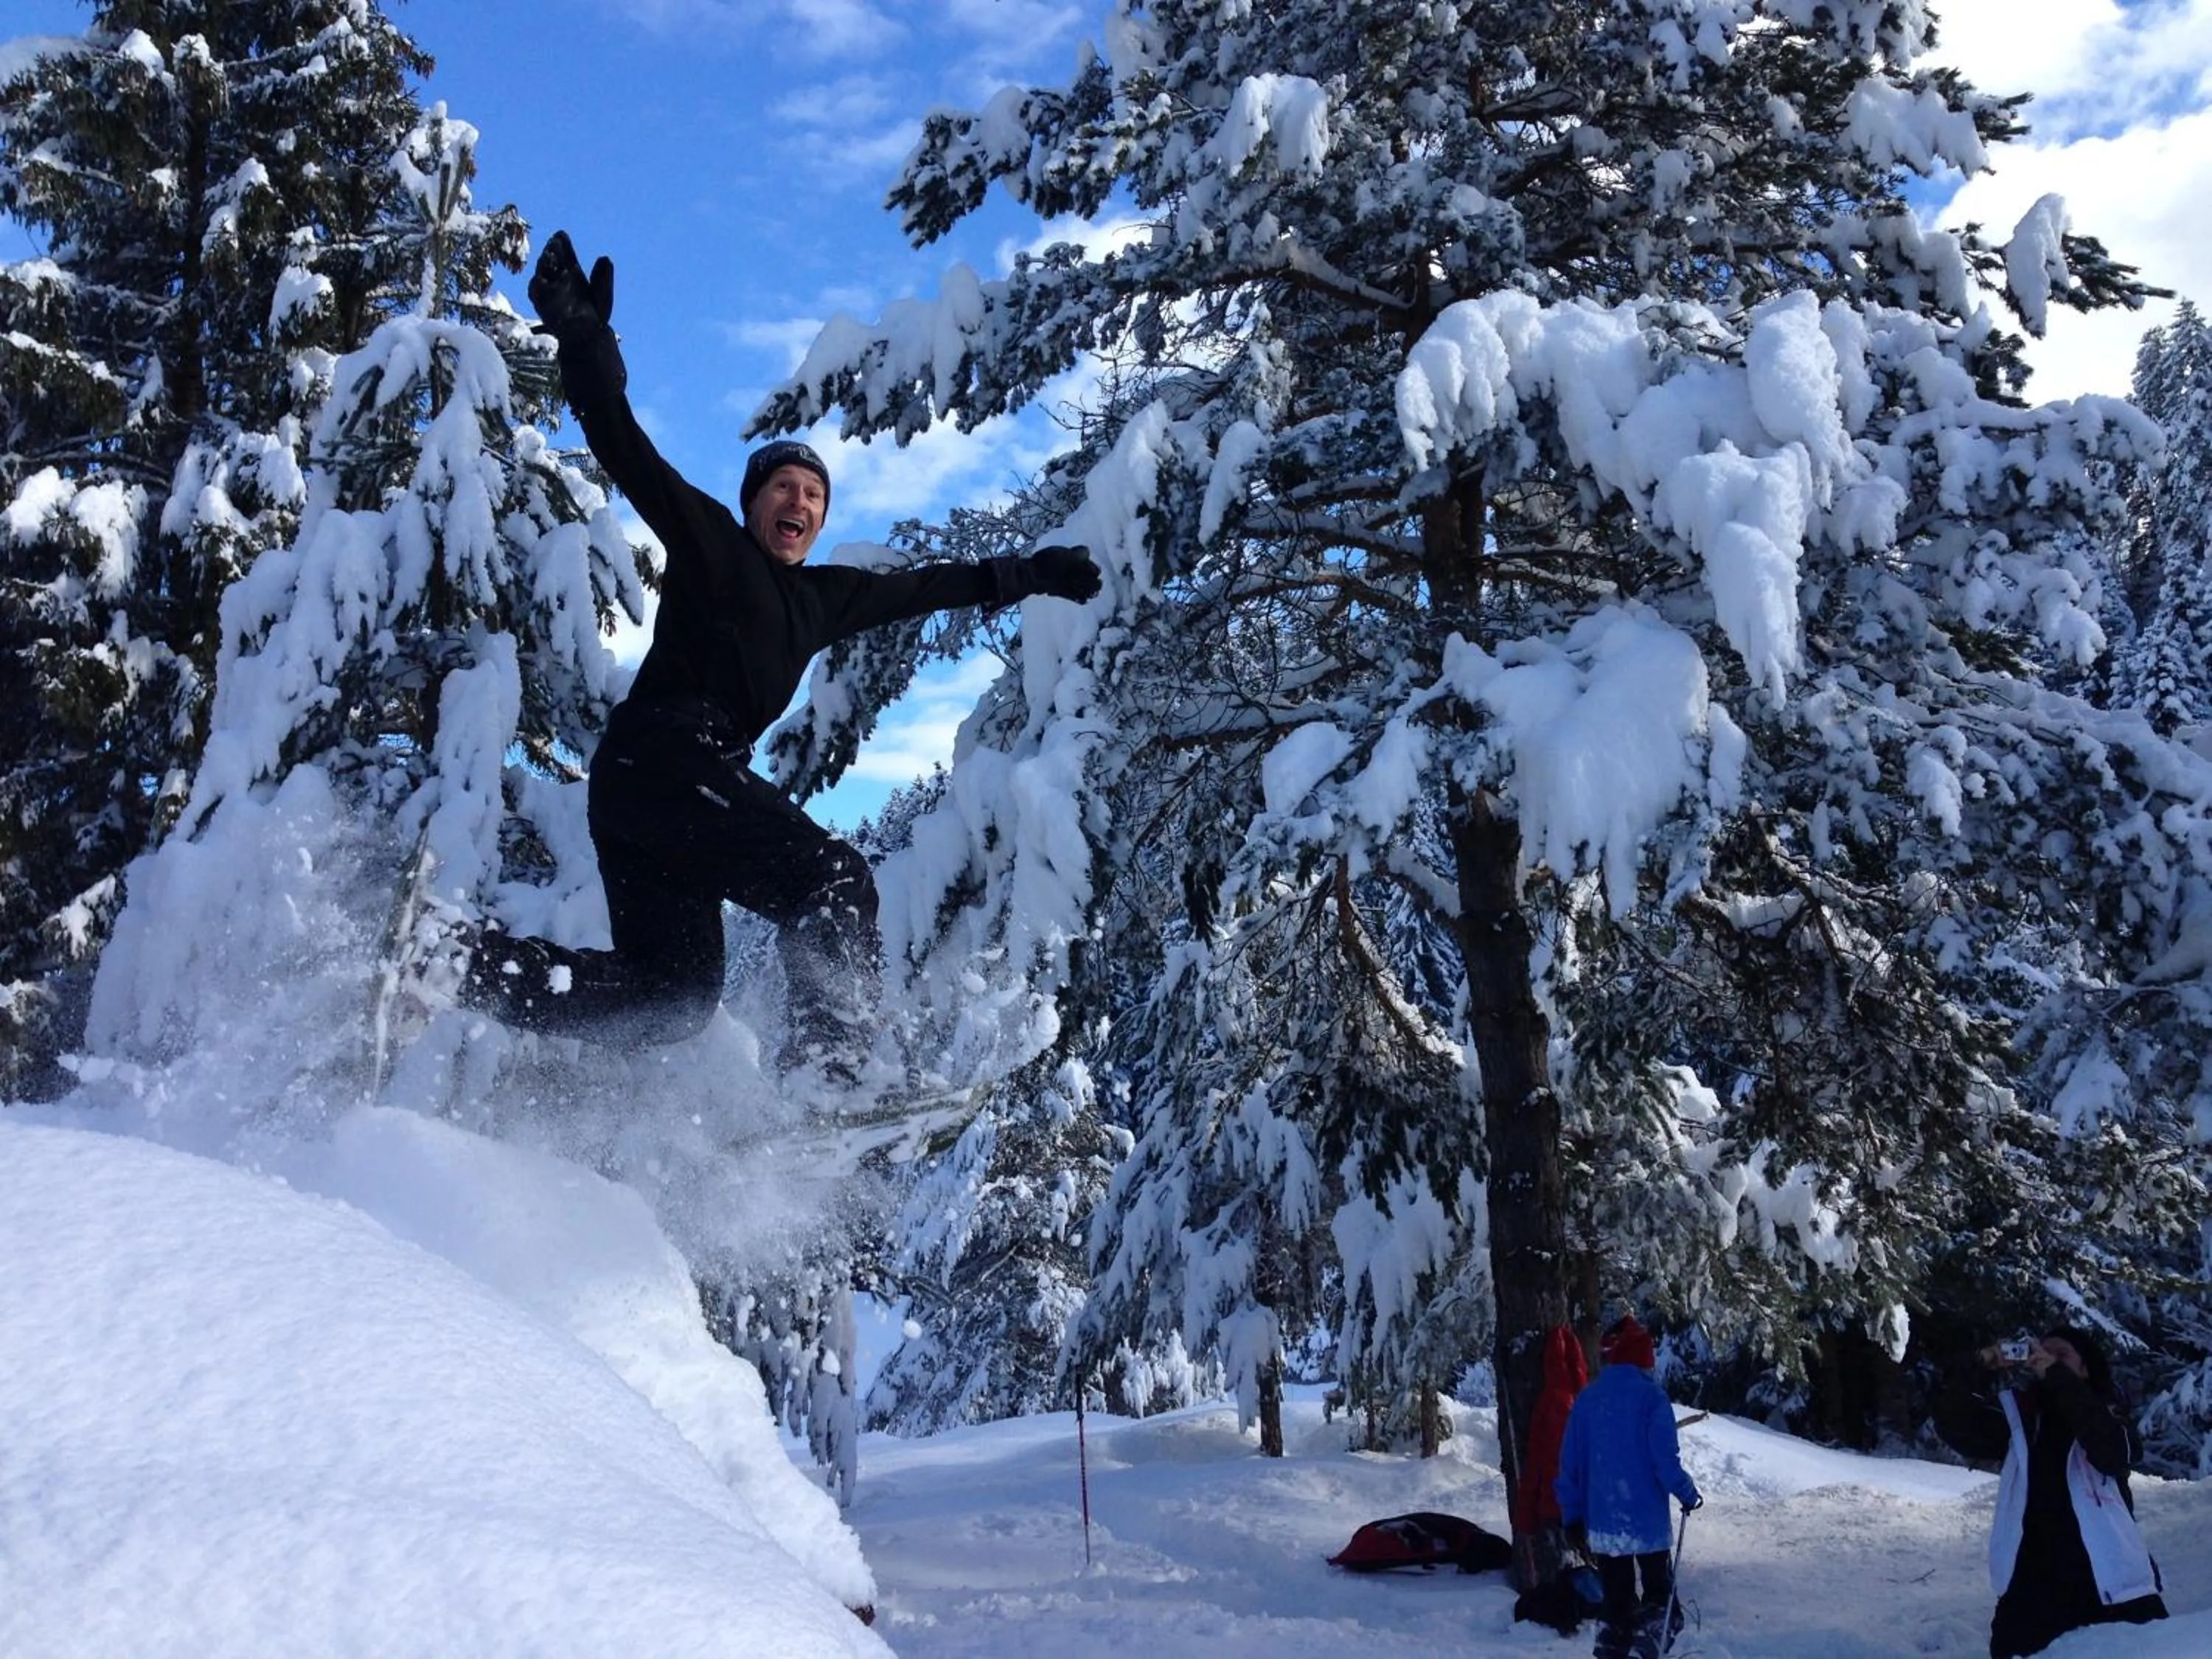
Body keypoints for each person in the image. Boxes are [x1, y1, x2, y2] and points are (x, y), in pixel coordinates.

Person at [454, 231, 1100, 1082]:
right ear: (753, 504)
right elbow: (625, 446)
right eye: (783, 488)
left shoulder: (824, 598)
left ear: (820, 521)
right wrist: (585, 341)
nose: (799, 501)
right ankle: (829, 1071)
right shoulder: (714, 545)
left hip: (661, 796)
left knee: (674, 996)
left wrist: (1032, 575)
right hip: (664, 756)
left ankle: (469, 967)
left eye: (814, 495)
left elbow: (929, 586)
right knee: (831, 879)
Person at [1977, 1327, 2167, 1659]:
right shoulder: (2022, 1421)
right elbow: (1957, 1426)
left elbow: (2112, 1453)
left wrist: (2057, 1376)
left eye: (2061, 1355)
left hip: (2109, 1583)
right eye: (2042, 1353)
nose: (2047, 1360)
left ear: (2085, 1369)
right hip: (2032, 1587)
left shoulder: (2109, 1416)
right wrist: (1980, 1363)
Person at [1554, 1314, 1702, 1659]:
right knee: (1659, 1596)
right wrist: (1687, 1493)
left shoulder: (1588, 1400)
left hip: (1604, 1522)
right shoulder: (1652, 1398)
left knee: (1616, 1600)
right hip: (1646, 1521)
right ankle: (1647, 1644)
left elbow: (1569, 1465)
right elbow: (1664, 1461)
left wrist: (1571, 1515)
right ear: (1642, 1357)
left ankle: (1613, 1643)